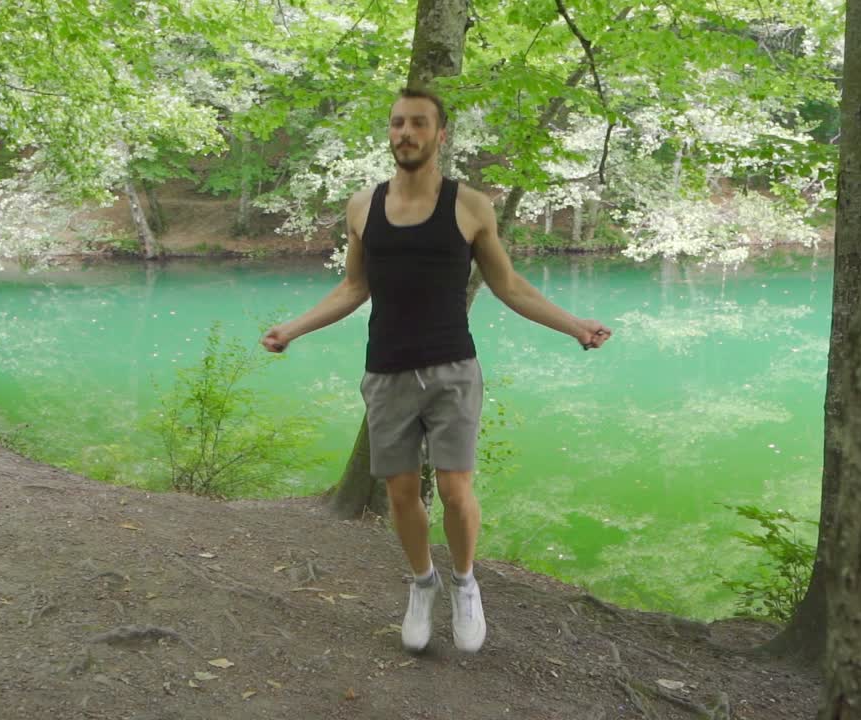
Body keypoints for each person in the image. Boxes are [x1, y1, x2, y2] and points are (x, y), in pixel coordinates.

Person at [261, 88, 612, 653]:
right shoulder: (362, 206)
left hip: (453, 369)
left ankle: (465, 583)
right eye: (398, 123)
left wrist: (574, 325)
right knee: (402, 492)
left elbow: (508, 285)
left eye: (419, 123)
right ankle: (422, 583)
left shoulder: (469, 207)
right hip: (387, 371)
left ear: (440, 135)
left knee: (454, 488)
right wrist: (292, 329)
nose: (406, 132)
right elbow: (353, 287)